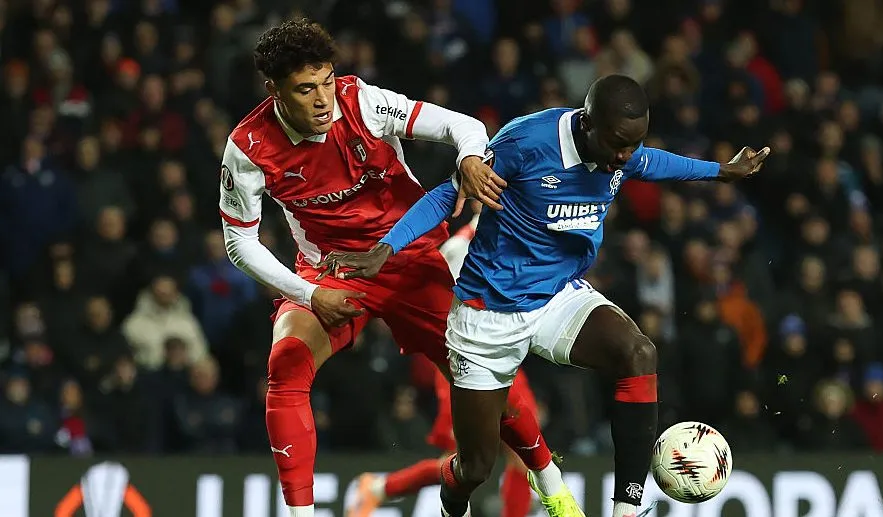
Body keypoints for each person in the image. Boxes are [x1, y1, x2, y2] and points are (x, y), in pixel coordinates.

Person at [318, 74, 770, 517]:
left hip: (557, 295)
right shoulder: (527, 144)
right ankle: (452, 504)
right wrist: (385, 250)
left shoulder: (620, 151)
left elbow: (653, 162)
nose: (624, 156)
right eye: (618, 144)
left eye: (633, 144)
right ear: (587, 124)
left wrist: (721, 172)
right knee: (475, 466)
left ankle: (627, 509)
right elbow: (447, 195)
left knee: (637, 353)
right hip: (486, 317)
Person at [219, 18, 576, 517]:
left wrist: (472, 157)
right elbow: (239, 242)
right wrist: (306, 293)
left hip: (406, 259)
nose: (324, 99)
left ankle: (549, 479)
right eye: (305, 89)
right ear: (273, 91)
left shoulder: (363, 102)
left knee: (485, 372)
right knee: (285, 366)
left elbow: (463, 126)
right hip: (331, 270)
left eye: (326, 81)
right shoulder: (248, 148)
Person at [348, 204, 535, 517]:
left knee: (523, 447)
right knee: (463, 460)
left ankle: (380, 489)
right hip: (460, 361)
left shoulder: (517, 235)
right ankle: (381, 488)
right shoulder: (459, 248)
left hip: (502, 357)